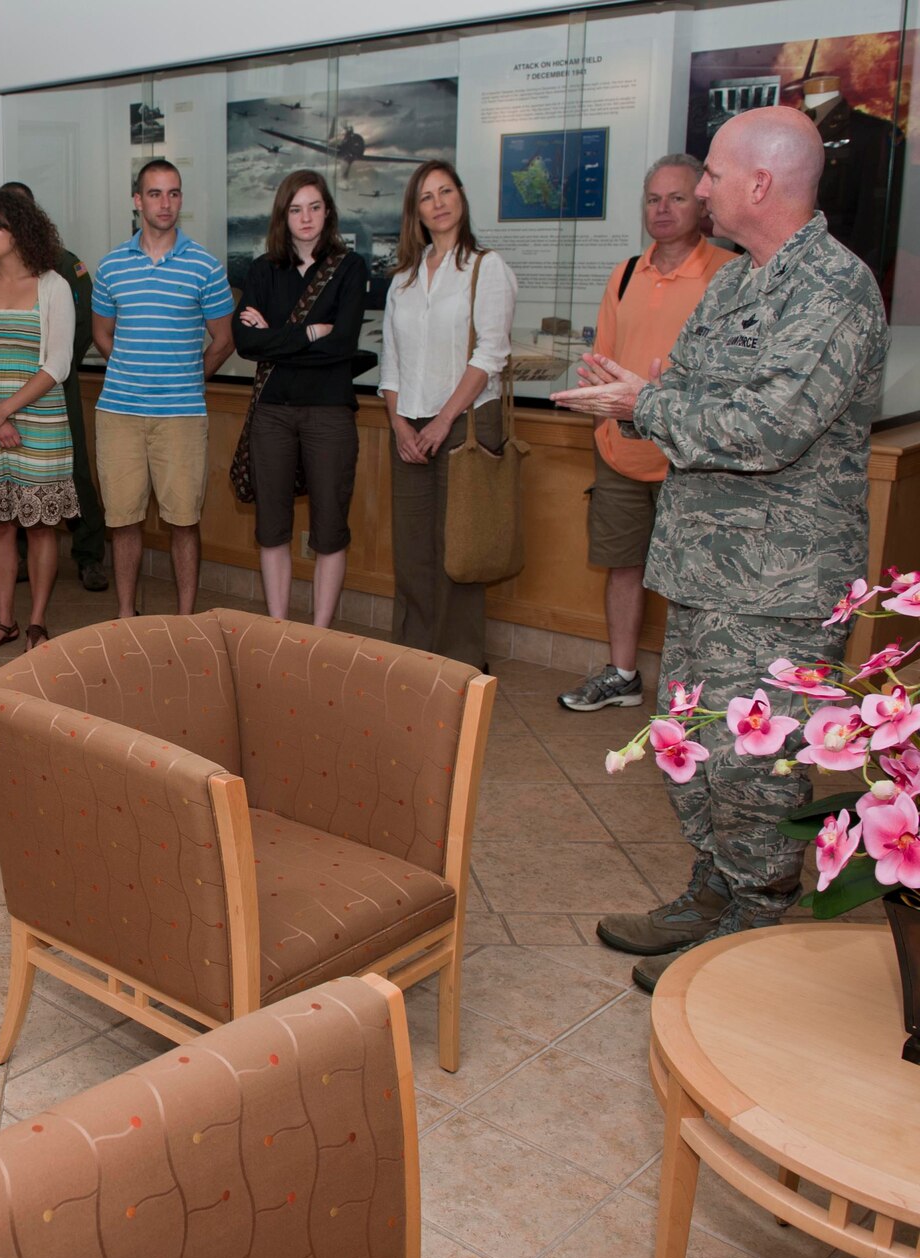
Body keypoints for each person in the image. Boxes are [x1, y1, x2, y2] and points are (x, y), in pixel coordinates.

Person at [552, 107, 888, 992]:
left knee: (753, 765)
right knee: (690, 746)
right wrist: (639, 392)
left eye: (709, 175)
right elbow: (693, 391)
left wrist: (642, 405)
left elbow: (770, 427)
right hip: (702, 571)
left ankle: (752, 926)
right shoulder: (737, 284)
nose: (699, 190)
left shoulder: (834, 289)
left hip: (777, 583)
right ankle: (712, 891)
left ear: (760, 184)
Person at [558, 155, 731, 712]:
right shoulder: (626, 273)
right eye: (653, 199)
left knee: (695, 582)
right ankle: (624, 674)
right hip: (622, 453)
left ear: (702, 204)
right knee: (622, 564)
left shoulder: (730, 273)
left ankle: (695, 697)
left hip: (693, 459)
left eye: (677, 198)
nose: (662, 209)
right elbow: (602, 362)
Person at [378, 160, 518, 671]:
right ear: (414, 212)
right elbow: (391, 361)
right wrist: (399, 424)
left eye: (445, 191)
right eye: (426, 196)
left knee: (458, 553)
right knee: (412, 551)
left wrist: (441, 422)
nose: (438, 203)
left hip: (465, 427)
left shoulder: (486, 268)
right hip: (407, 425)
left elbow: (490, 357)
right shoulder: (404, 280)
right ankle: (415, 658)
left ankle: (459, 665)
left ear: (461, 196)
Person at [90, 158, 235, 617]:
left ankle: (187, 619)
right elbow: (101, 334)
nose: (165, 203)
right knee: (123, 521)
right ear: (137, 201)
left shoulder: (205, 267)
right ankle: (126, 615)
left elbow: (224, 338)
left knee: (183, 522)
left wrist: (189, 377)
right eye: (155, 193)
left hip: (181, 416)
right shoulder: (111, 266)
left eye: (173, 193)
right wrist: (133, 368)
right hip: (119, 414)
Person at [232, 169, 368, 628]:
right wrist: (310, 333)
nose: (305, 217)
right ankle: (278, 627)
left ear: (327, 211)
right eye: (295, 209)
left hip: (330, 413)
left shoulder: (350, 268)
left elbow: (344, 344)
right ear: (283, 216)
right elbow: (246, 344)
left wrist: (276, 336)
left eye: (314, 207)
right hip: (272, 413)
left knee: (329, 530)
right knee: (272, 527)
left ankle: (320, 632)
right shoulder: (262, 270)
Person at [0, 189, 78, 653]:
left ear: (21, 230)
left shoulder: (53, 285)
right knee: (1, 524)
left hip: (39, 424)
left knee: (41, 524)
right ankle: (4, 620)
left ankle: (38, 622)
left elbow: (58, 363)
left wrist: (3, 412)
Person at [0, 180, 106, 592]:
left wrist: (56, 366)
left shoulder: (64, 263)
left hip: (57, 382)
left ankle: (89, 555)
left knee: (73, 468)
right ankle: (24, 556)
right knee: (16, 470)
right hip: (7, 386)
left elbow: (85, 325)